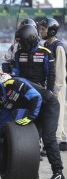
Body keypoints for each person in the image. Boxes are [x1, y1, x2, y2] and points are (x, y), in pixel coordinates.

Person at [0, 72, 65, 179]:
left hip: (48, 105)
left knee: (48, 138)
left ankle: (58, 173)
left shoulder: (13, 83)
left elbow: (36, 97)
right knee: (32, 141)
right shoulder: (4, 100)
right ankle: (33, 172)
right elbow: (1, 124)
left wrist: (30, 117)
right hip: (35, 110)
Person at [39, 18, 67, 151]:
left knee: (58, 112)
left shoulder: (58, 47)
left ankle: (56, 140)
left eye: (43, 29)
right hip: (47, 85)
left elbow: (61, 70)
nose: (41, 31)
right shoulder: (44, 45)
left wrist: (56, 89)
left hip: (57, 86)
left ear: (51, 31)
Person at [12, 24, 55, 92]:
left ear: (32, 39)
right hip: (23, 90)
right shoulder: (18, 53)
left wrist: (50, 91)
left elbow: (50, 74)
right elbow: (16, 72)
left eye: (24, 42)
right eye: (20, 43)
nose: (22, 45)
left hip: (40, 89)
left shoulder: (45, 53)